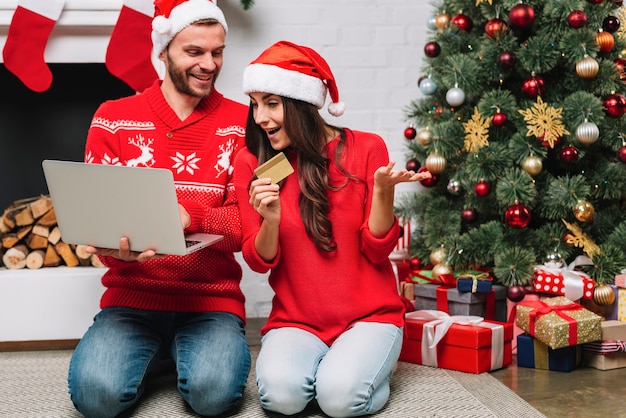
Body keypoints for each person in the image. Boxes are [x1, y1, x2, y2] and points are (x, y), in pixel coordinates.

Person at [67, 0, 251, 416]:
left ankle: (174, 354)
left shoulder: (244, 124)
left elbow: (248, 227)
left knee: (213, 397)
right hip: (132, 298)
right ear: (163, 51)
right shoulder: (112, 119)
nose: (209, 64)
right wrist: (112, 250)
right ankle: (166, 353)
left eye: (217, 52)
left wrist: (193, 216)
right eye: (194, 52)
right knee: (96, 398)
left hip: (210, 304)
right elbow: (96, 220)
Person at [233, 41, 432, 418]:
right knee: (282, 399)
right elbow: (260, 262)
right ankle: (339, 368)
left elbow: (376, 251)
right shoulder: (254, 161)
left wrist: (384, 193)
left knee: (339, 401)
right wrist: (270, 220)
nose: (259, 116)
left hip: (368, 317)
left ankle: (363, 371)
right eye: (255, 103)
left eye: (271, 103)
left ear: (301, 102)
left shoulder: (366, 148)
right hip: (296, 320)